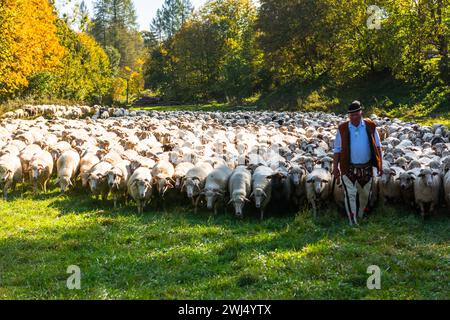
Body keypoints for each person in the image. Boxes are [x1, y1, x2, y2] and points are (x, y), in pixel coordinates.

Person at [332, 101, 383, 225]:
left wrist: (380, 164)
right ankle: (352, 221)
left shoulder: (370, 126)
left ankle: (360, 214)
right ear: (348, 116)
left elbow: (378, 146)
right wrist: (335, 167)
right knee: (350, 194)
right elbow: (337, 149)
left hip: (366, 167)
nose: (354, 117)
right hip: (348, 167)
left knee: (365, 194)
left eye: (356, 114)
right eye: (351, 115)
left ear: (361, 113)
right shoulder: (343, 128)